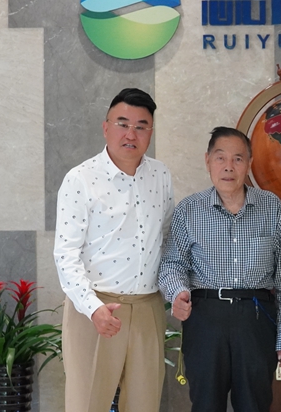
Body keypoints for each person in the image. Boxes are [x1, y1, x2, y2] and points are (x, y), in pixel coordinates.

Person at [158, 126, 281, 412]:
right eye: (220, 157)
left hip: (257, 320)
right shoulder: (189, 209)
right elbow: (172, 264)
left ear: (249, 163)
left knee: (255, 405)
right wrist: (178, 293)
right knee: (205, 405)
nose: (228, 167)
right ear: (207, 160)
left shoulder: (271, 207)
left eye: (237, 159)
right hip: (204, 319)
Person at [53, 88, 174, 412]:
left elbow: (166, 239)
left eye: (141, 126)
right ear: (106, 127)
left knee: (145, 405)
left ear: (150, 132)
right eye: (122, 124)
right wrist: (93, 308)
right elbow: (65, 254)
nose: (131, 134)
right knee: (86, 404)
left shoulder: (161, 176)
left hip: (148, 309)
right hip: (94, 309)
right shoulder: (80, 179)